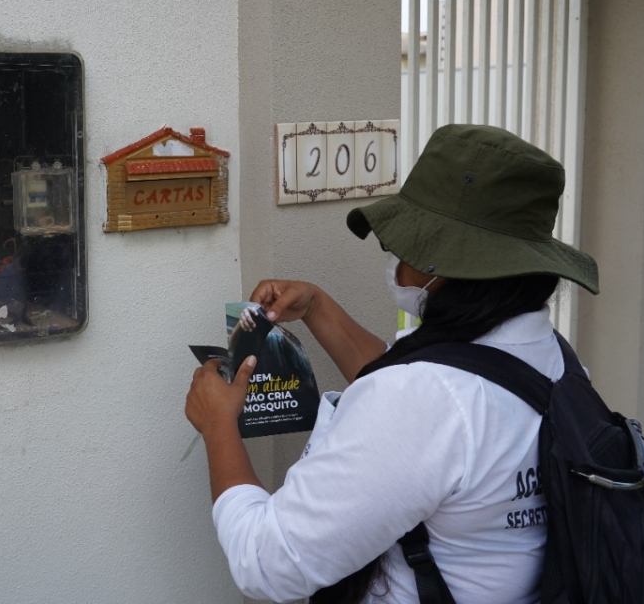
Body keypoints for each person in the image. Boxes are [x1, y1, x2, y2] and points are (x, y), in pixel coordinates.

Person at [184, 123, 599, 604]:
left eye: (407, 243)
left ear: (446, 265)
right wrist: (317, 306)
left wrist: (219, 426)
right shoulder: (551, 358)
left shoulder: (425, 400)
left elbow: (266, 563)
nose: (395, 257)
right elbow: (427, 409)